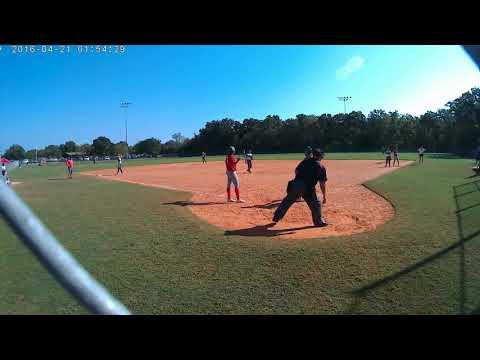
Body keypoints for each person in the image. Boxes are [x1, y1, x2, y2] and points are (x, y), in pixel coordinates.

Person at [271, 148, 327, 227]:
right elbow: (322, 183)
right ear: (320, 156)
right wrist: (324, 195)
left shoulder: (305, 161)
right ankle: (319, 222)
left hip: (296, 185)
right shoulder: (321, 167)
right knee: (316, 204)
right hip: (308, 188)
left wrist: (299, 178)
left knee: (287, 201)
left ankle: (276, 217)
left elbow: (296, 171)